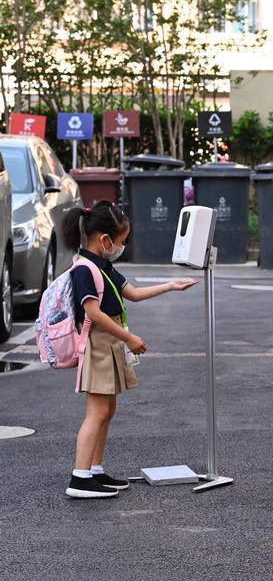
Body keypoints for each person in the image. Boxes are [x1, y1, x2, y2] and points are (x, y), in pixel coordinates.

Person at [63, 201, 197, 499]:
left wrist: (171, 286)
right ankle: (79, 477)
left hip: (108, 342)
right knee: (96, 412)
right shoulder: (84, 269)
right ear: (105, 240)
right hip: (99, 343)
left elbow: (132, 294)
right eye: (122, 241)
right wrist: (129, 337)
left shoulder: (102, 265)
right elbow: (93, 313)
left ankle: (94, 470)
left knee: (107, 409)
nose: (123, 246)